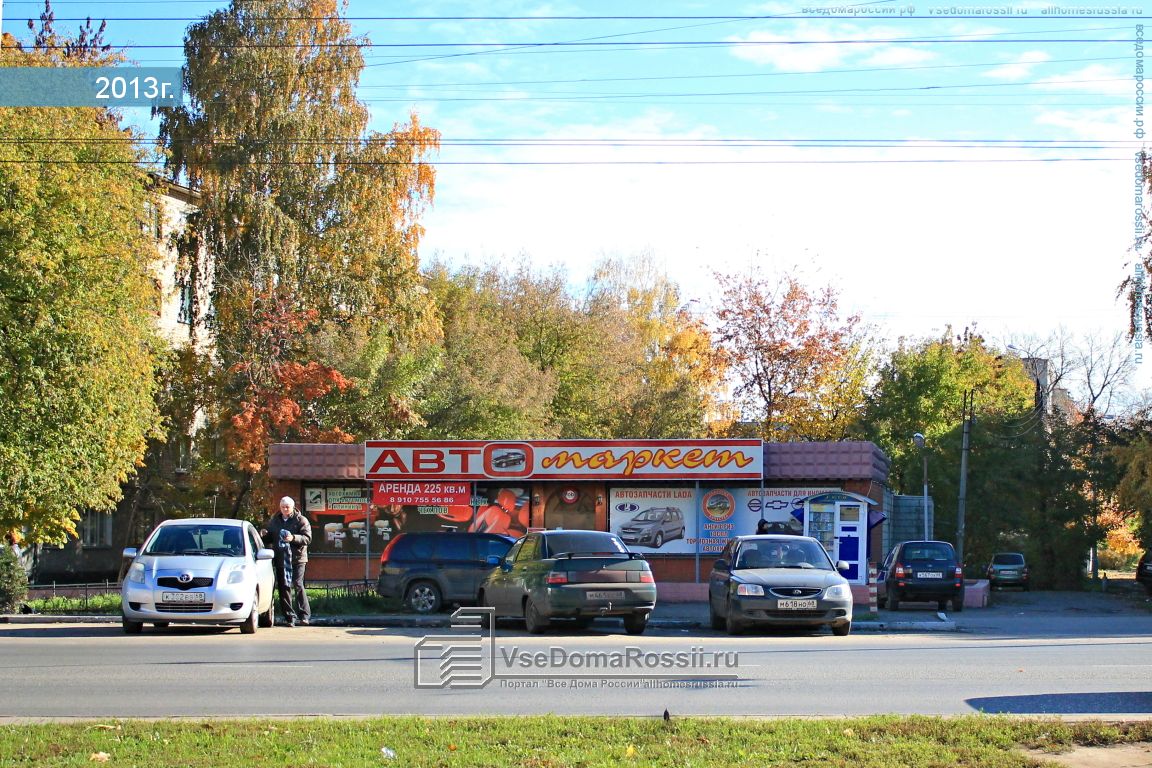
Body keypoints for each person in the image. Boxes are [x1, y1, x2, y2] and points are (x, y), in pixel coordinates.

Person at [261, 496, 313, 627]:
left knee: (297, 584)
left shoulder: (301, 520)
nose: (285, 509)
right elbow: (270, 538)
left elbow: (307, 538)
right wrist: (263, 535)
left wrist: (293, 538)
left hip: (297, 558)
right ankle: (290, 617)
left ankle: (304, 615)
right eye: (282, 507)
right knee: (284, 587)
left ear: (292, 507)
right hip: (281, 558)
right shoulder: (275, 520)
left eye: (287, 507)